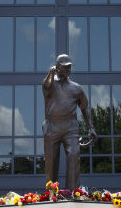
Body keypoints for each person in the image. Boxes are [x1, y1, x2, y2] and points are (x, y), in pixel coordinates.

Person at [41, 54, 96, 190]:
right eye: (66, 67)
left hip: (70, 126)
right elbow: (46, 87)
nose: (69, 69)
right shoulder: (50, 84)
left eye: (70, 66)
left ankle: (73, 193)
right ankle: (51, 193)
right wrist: (50, 73)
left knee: (73, 157)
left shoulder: (76, 88)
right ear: (58, 68)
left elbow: (84, 107)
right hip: (51, 125)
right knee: (51, 162)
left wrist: (91, 127)